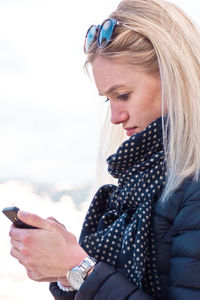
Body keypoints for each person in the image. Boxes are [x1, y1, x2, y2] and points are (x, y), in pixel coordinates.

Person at [8, 0, 200, 299]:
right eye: (107, 99)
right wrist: (65, 270)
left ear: (176, 78)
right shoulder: (138, 183)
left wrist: (80, 268)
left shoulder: (191, 186)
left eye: (123, 95)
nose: (115, 117)